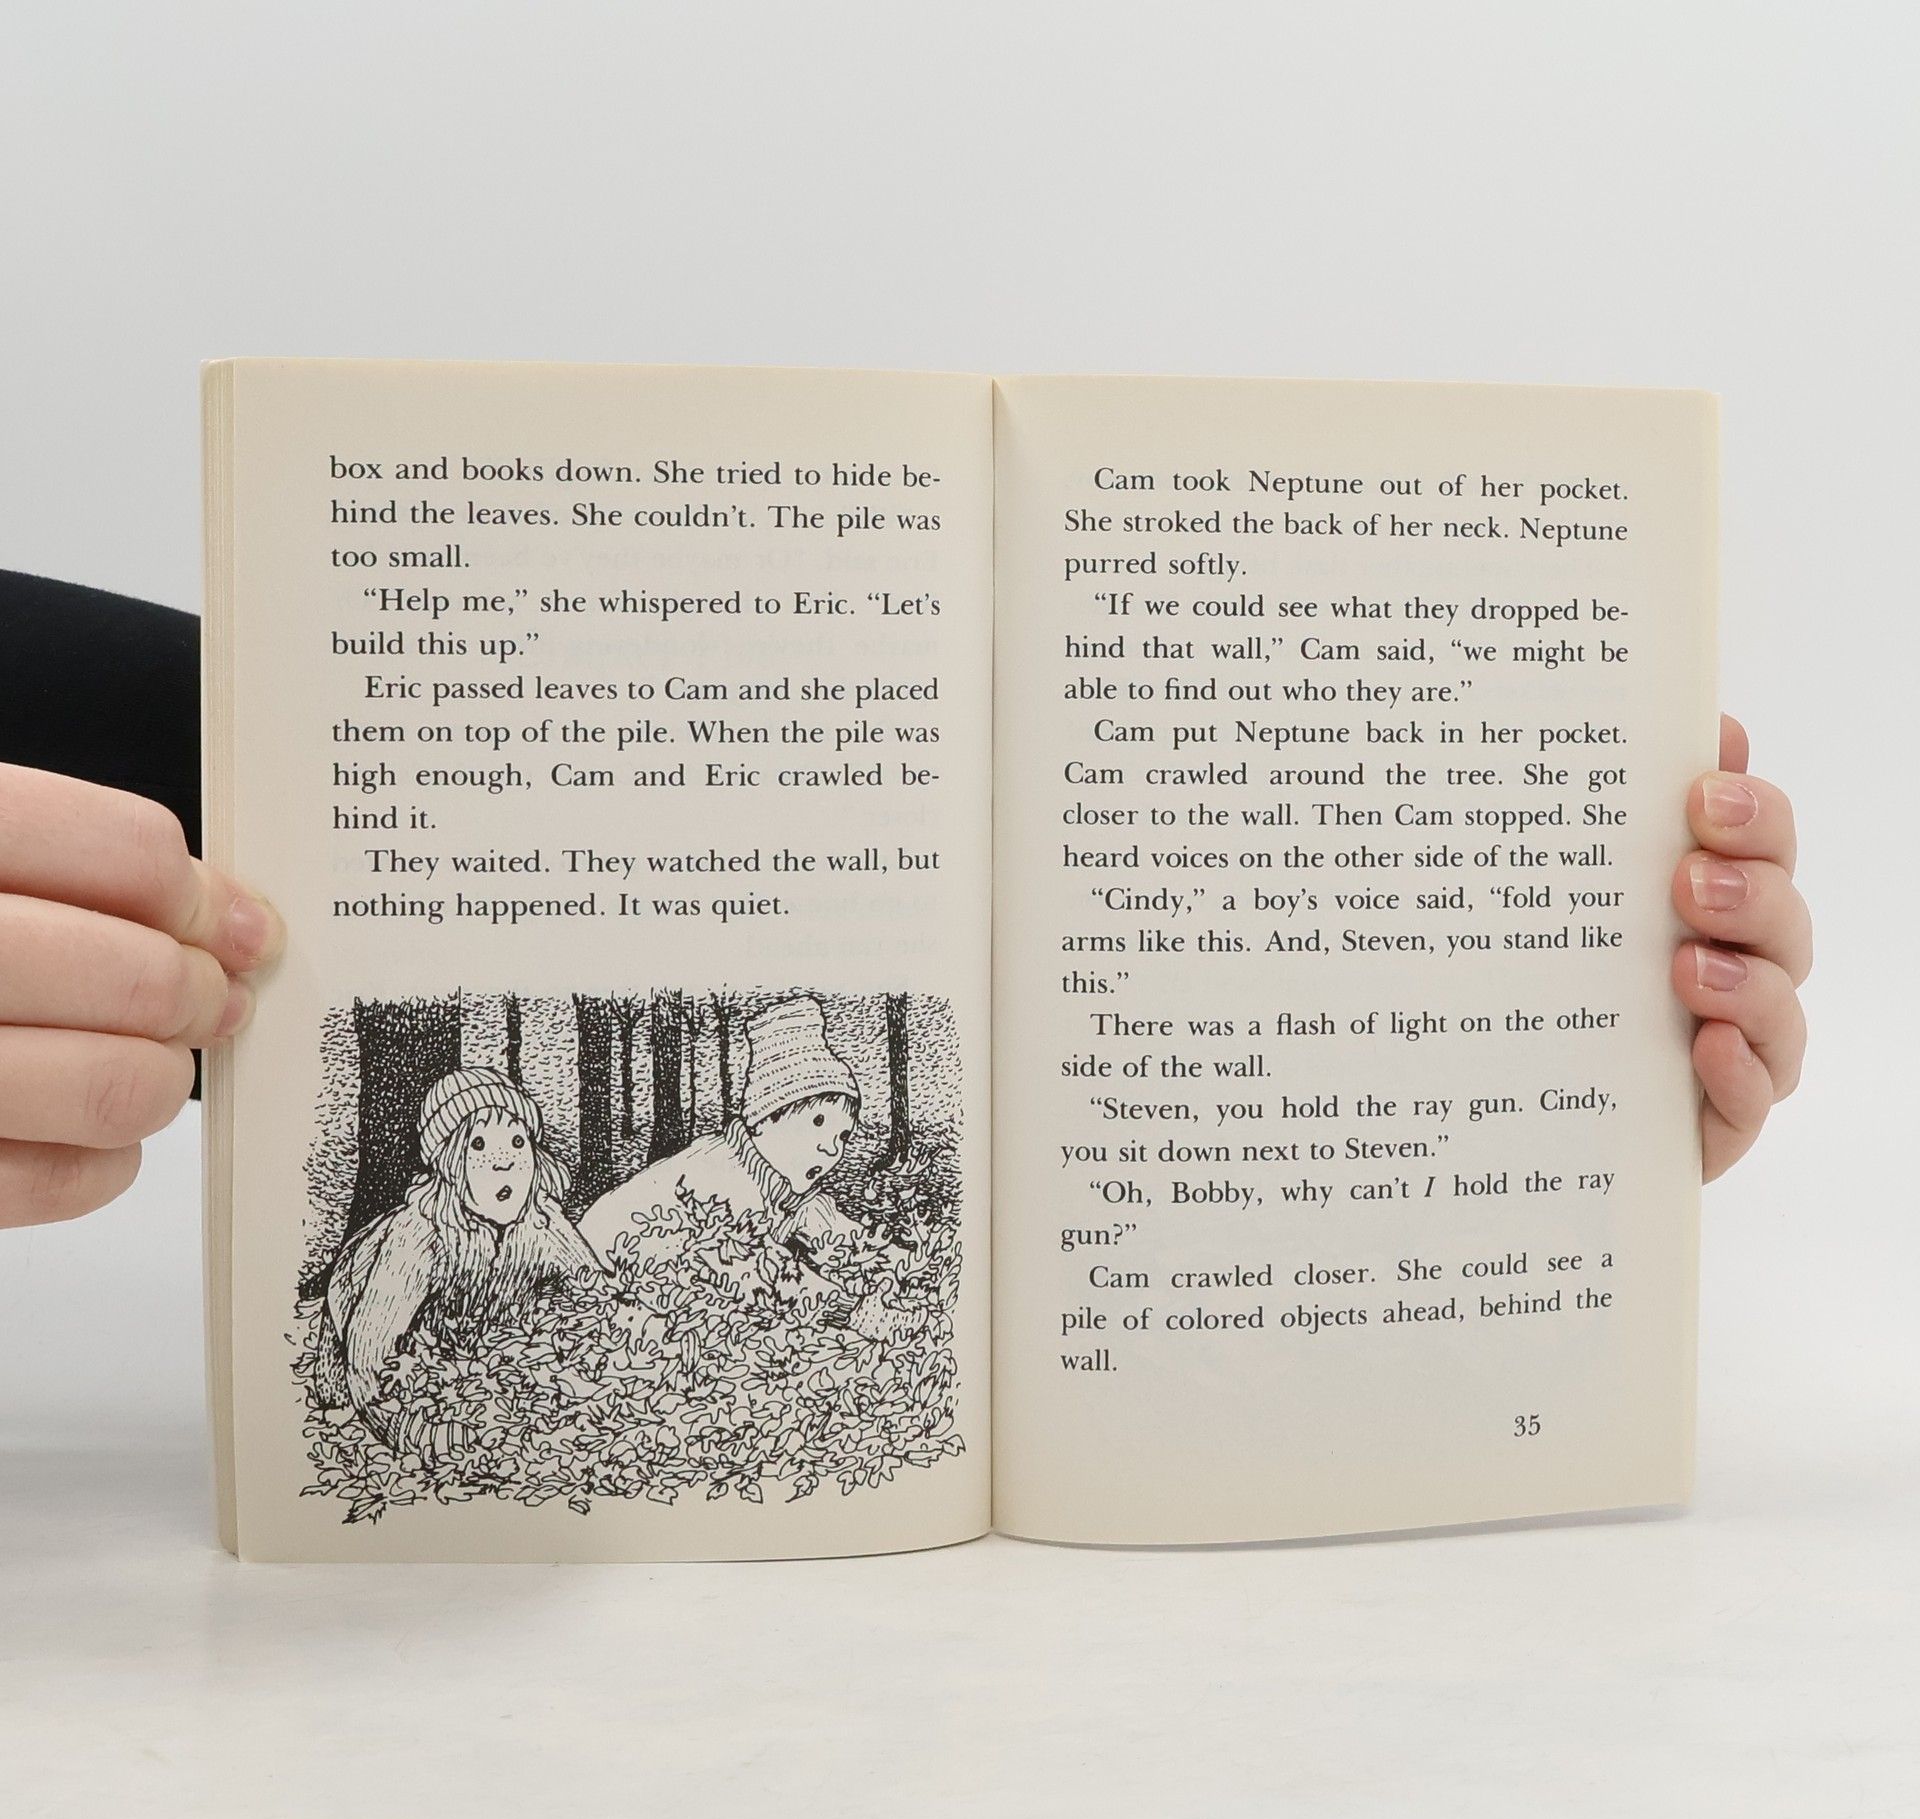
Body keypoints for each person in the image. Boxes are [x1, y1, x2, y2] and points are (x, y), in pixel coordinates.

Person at [0, 571, 1810, 1233]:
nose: (820, 1140)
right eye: (808, 1118)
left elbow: (251, 815)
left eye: (828, 1121)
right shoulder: (640, 1194)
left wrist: (1449, 1077)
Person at [311, 1067, 606, 1451]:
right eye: (479, 1144)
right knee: (337, 1403)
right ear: (448, 1163)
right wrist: (414, 1432)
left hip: (473, 1336)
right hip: (358, 1294)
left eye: (518, 1141)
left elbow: (596, 1291)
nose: (504, 1161)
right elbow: (370, 1354)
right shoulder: (420, 1234)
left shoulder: (544, 1223)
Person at [578, 995, 900, 1279]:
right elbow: (763, 1276)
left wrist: (899, 1260)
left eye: (843, 1136)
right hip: (596, 1277)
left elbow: (844, 1235)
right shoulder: (722, 1175)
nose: (831, 1148)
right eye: (817, 1122)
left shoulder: (786, 1191)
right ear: (765, 1119)